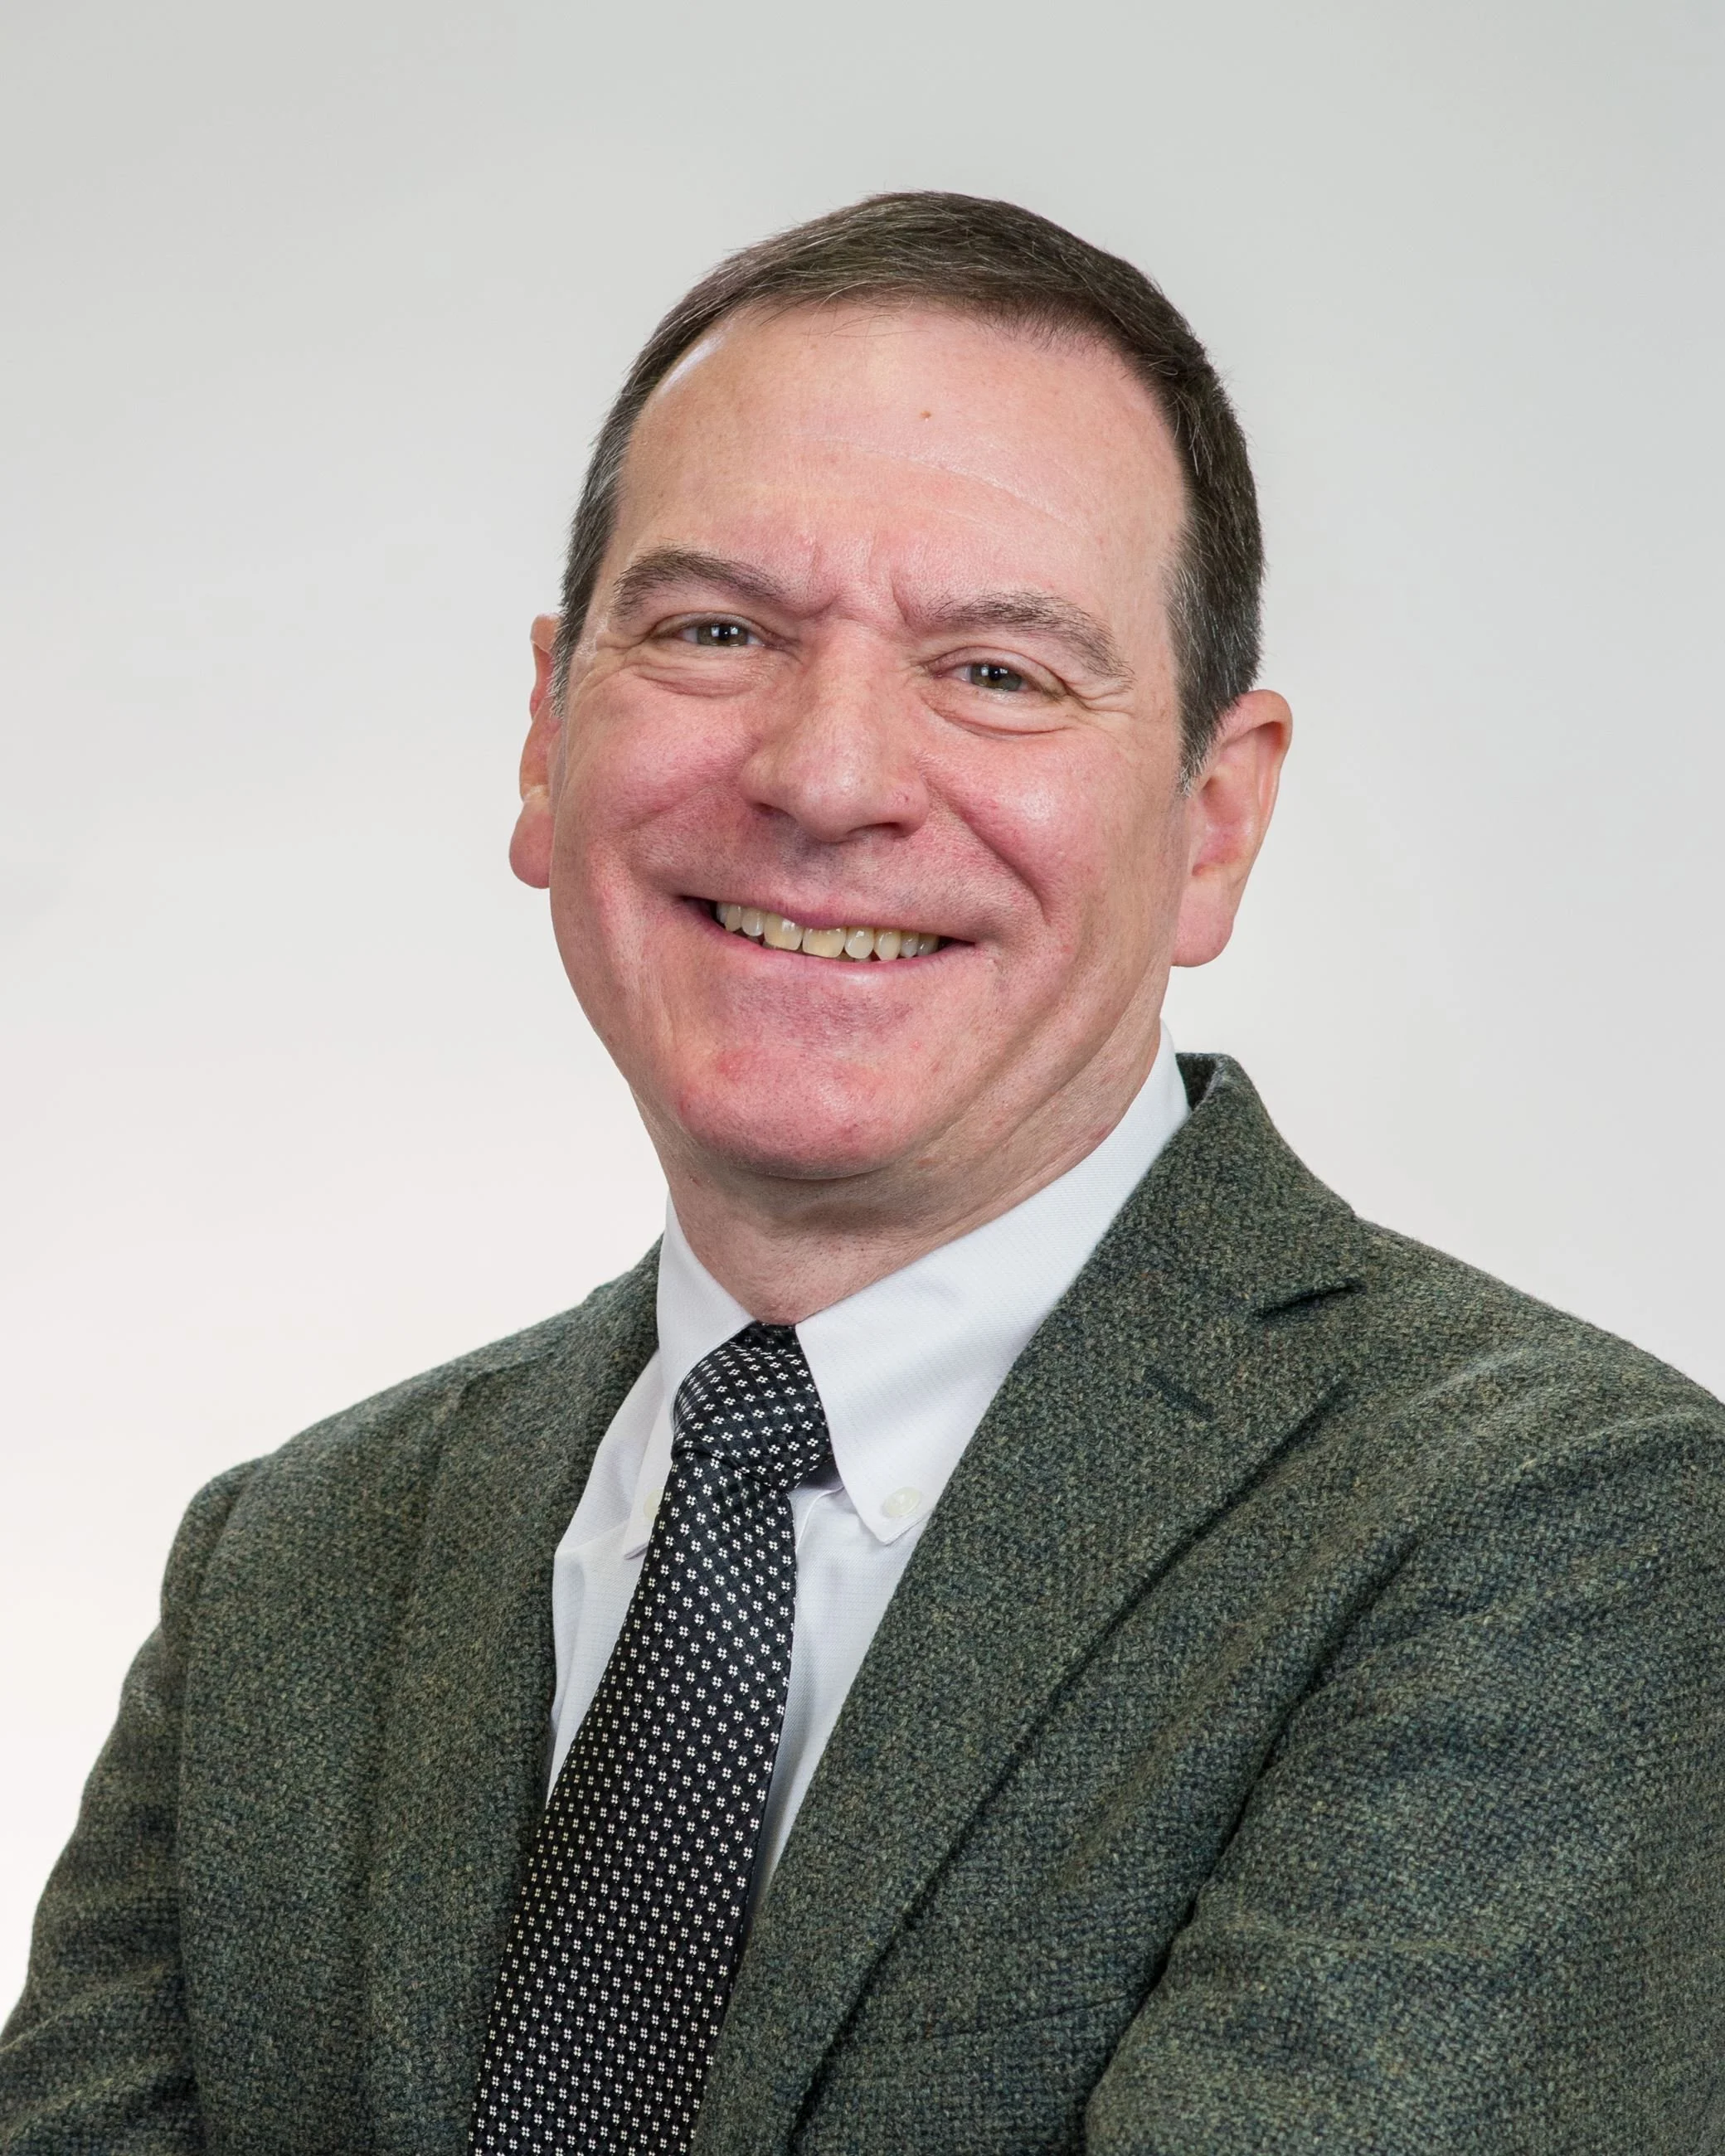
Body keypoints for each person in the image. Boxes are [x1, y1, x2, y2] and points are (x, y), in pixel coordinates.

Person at [2, 191, 1721, 2156]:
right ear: (544, 738)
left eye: (994, 670)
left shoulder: (1561, 1536)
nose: (825, 777)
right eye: (716, 631)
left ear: (1214, 822)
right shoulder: (290, 1565)